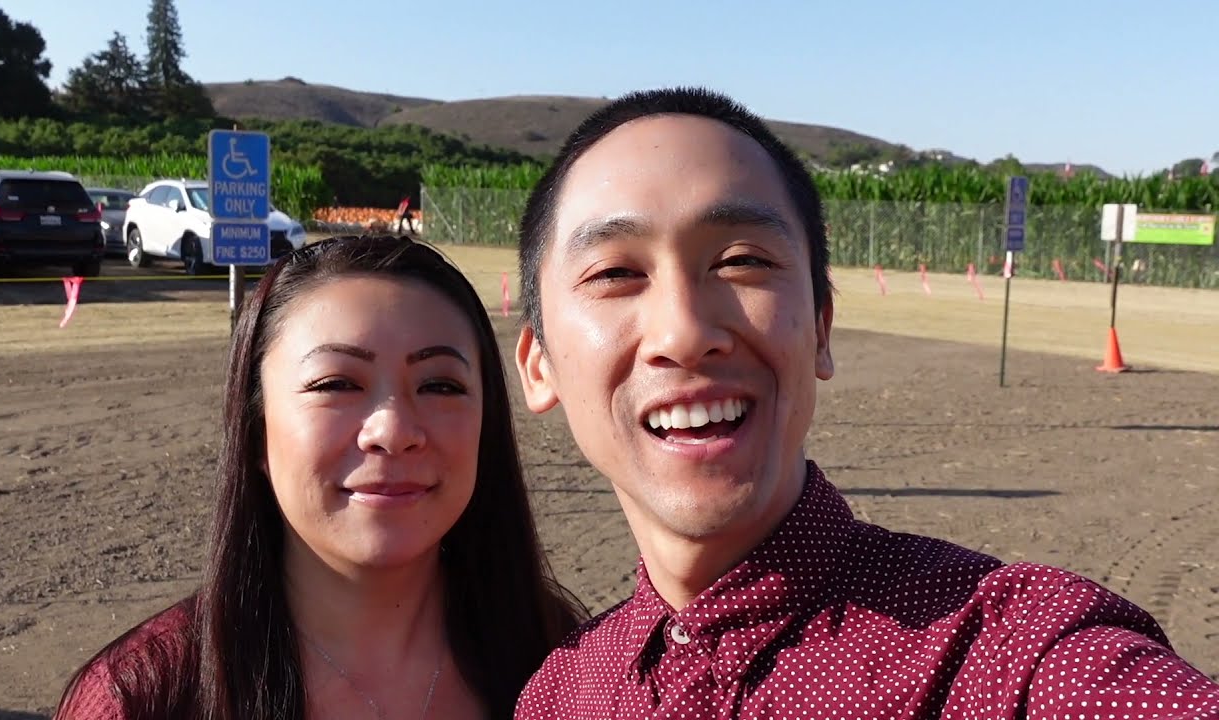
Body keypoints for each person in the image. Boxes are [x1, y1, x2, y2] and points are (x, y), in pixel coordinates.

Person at [510, 87, 1219, 718]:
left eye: (742, 261)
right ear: (539, 366)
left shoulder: (1007, 655)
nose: (684, 332)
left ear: (820, 329)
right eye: (614, 272)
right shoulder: (557, 693)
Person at [53, 235, 587, 720]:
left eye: (440, 386)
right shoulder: (140, 699)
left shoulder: (575, 665)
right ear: (256, 431)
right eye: (336, 382)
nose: (393, 430)